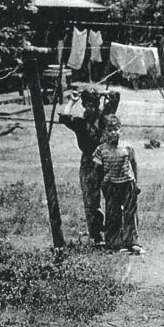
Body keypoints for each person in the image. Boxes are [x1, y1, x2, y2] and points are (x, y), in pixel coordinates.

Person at [58, 89, 120, 245]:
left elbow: (116, 96)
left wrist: (103, 93)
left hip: (106, 161)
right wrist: (72, 100)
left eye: (95, 104)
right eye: (88, 105)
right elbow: (64, 117)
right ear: (84, 105)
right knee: (91, 201)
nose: (92, 108)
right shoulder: (80, 123)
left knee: (112, 198)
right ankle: (97, 235)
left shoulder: (104, 118)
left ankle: (113, 234)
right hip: (89, 162)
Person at [91, 115, 141, 254]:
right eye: (110, 130)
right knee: (113, 214)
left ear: (121, 130)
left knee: (130, 213)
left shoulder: (127, 147)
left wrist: (136, 182)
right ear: (105, 132)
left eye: (116, 129)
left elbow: (134, 164)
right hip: (111, 185)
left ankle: (132, 242)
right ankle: (114, 242)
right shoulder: (101, 150)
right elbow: (97, 170)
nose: (113, 132)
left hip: (127, 184)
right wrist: (99, 184)